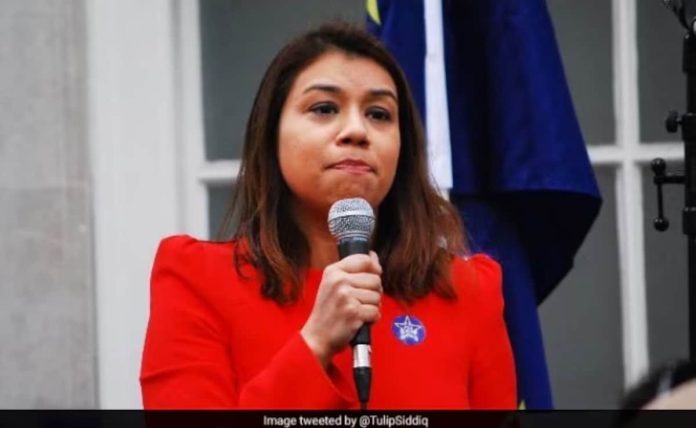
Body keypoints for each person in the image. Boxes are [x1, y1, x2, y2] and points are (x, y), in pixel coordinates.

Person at [140, 21, 516, 410]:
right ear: (271, 134)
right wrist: (315, 343)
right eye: (324, 108)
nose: (357, 131)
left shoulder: (468, 291)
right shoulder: (197, 280)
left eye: (379, 114)